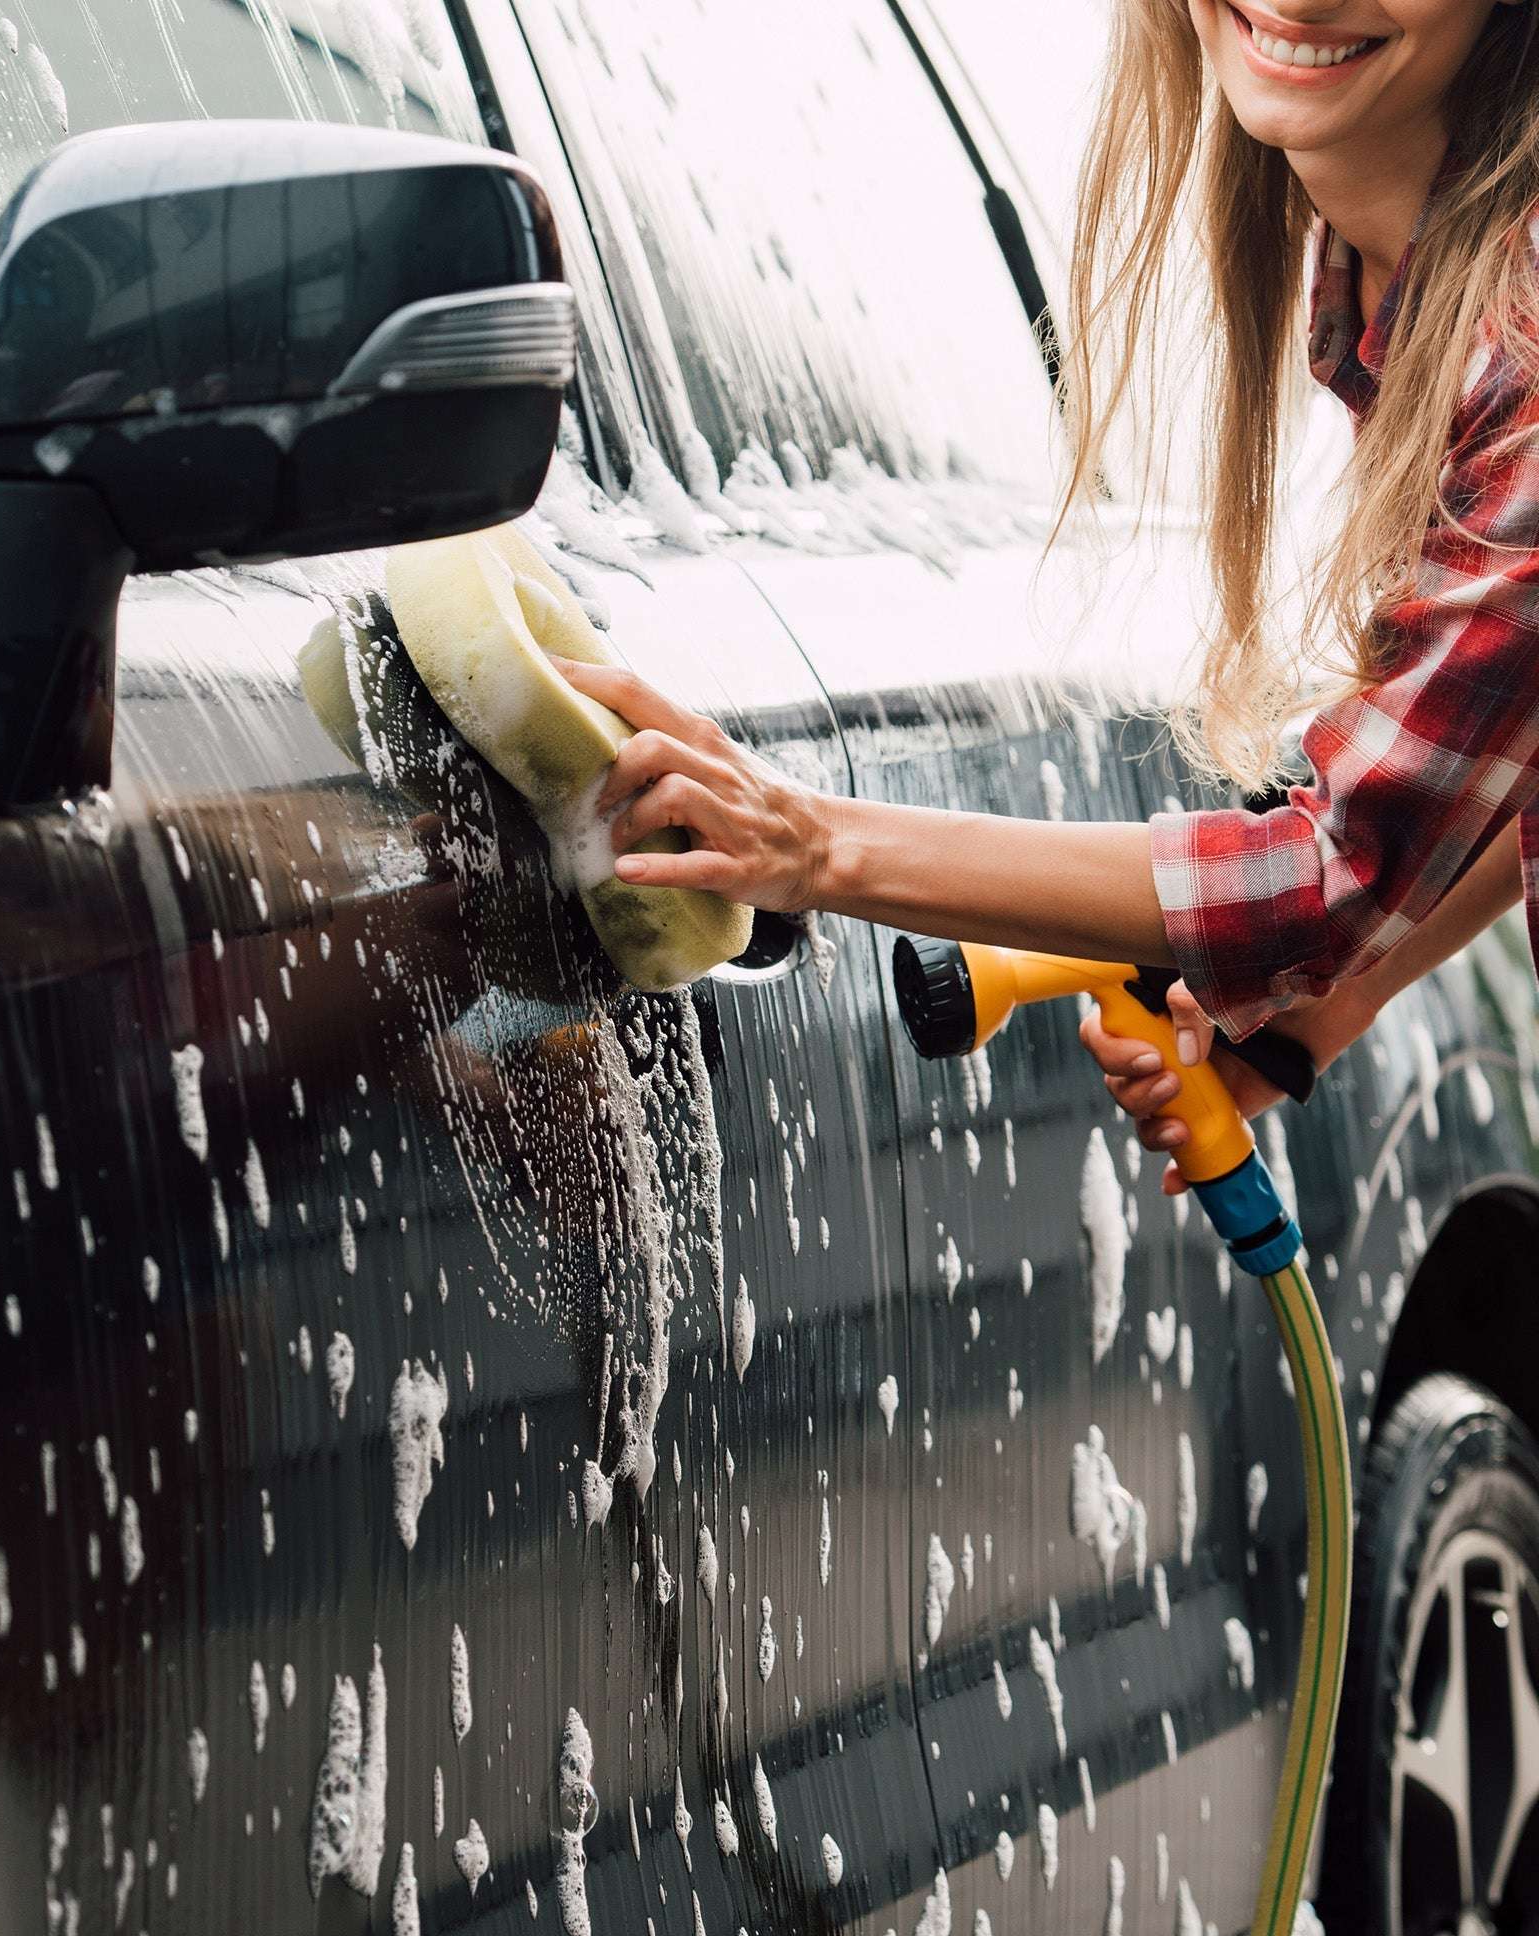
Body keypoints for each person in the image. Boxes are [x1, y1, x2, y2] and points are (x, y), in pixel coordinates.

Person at [556, 0, 1539, 1186]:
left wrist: (808, 841)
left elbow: (1327, 871)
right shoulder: (1399, 286)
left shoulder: (1520, 335)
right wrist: (1320, 1009)